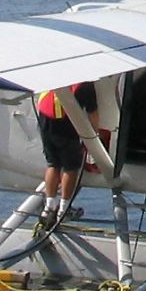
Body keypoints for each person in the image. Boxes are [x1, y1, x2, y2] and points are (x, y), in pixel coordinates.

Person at [35, 81, 99, 229]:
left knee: (52, 163)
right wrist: (95, 135)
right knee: (71, 167)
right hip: (65, 128)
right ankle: (64, 209)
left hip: (46, 123)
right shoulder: (86, 85)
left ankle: (49, 207)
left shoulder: (57, 76)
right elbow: (93, 112)